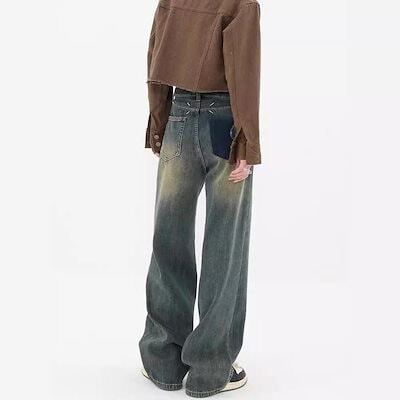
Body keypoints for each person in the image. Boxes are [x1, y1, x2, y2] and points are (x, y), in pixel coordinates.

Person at [138, 0, 262, 397]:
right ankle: (210, 369)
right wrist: (247, 142)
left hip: (177, 114)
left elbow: (156, 54)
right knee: (225, 244)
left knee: (168, 237)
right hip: (225, 121)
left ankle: (163, 360)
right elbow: (244, 71)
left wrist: (159, 122)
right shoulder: (242, 4)